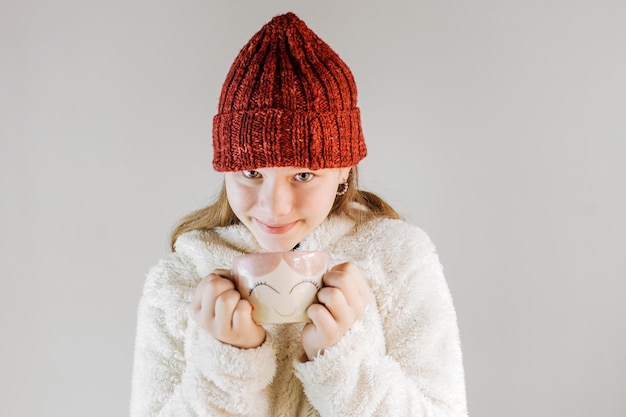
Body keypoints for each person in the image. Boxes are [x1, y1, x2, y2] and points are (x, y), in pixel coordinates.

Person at [130, 12, 468, 417]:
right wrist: (225, 366)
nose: (274, 206)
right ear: (225, 168)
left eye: (304, 174)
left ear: (343, 170)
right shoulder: (181, 281)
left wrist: (343, 360)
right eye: (251, 172)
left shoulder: (398, 262)